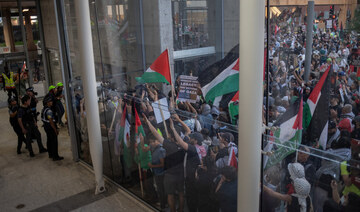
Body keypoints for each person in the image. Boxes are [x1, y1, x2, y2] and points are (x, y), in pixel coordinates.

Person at [143, 113, 185, 212]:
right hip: (181, 174)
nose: (168, 135)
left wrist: (148, 122)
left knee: (170, 195)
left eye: (170, 134)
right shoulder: (185, 144)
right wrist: (173, 126)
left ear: (172, 136)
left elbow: (156, 134)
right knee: (181, 193)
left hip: (170, 175)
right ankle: (181, 210)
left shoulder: (169, 145)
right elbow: (188, 131)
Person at [147, 133, 167, 211]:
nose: (151, 144)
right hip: (157, 172)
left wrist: (152, 166)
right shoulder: (154, 148)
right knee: (160, 189)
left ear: (157, 141)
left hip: (161, 173)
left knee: (161, 189)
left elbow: (163, 164)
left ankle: (163, 205)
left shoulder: (161, 150)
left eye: (152, 142)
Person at [41, 95, 63, 161]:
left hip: (46, 126)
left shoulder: (44, 109)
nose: (51, 102)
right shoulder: (49, 111)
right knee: (54, 142)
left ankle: (50, 154)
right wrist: (55, 129)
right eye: (50, 101)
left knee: (49, 140)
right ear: (47, 102)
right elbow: (51, 122)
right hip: (50, 127)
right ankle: (55, 156)